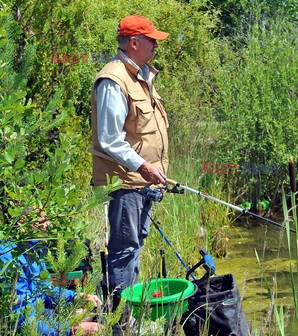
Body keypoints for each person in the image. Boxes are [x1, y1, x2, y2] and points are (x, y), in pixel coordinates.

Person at [90, 15, 170, 312]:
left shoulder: (143, 75)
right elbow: (109, 138)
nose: (156, 46)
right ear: (134, 43)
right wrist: (144, 167)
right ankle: (121, 321)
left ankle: (125, 312)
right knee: (124, 251)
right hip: (125, 184)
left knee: (135, 246)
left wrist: (152, 171)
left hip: (144, 182)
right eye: (151, 41)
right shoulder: (113, 79)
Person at [0, 209, 102, 335]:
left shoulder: (33, 249)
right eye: (43, 221)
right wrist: (71, 331)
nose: (48, 225)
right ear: (23, 222)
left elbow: (45, 288)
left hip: (37, 312)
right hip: (26, 323)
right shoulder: (8, 259)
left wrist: (74, 298)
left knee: (88, 313)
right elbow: (19, 320)